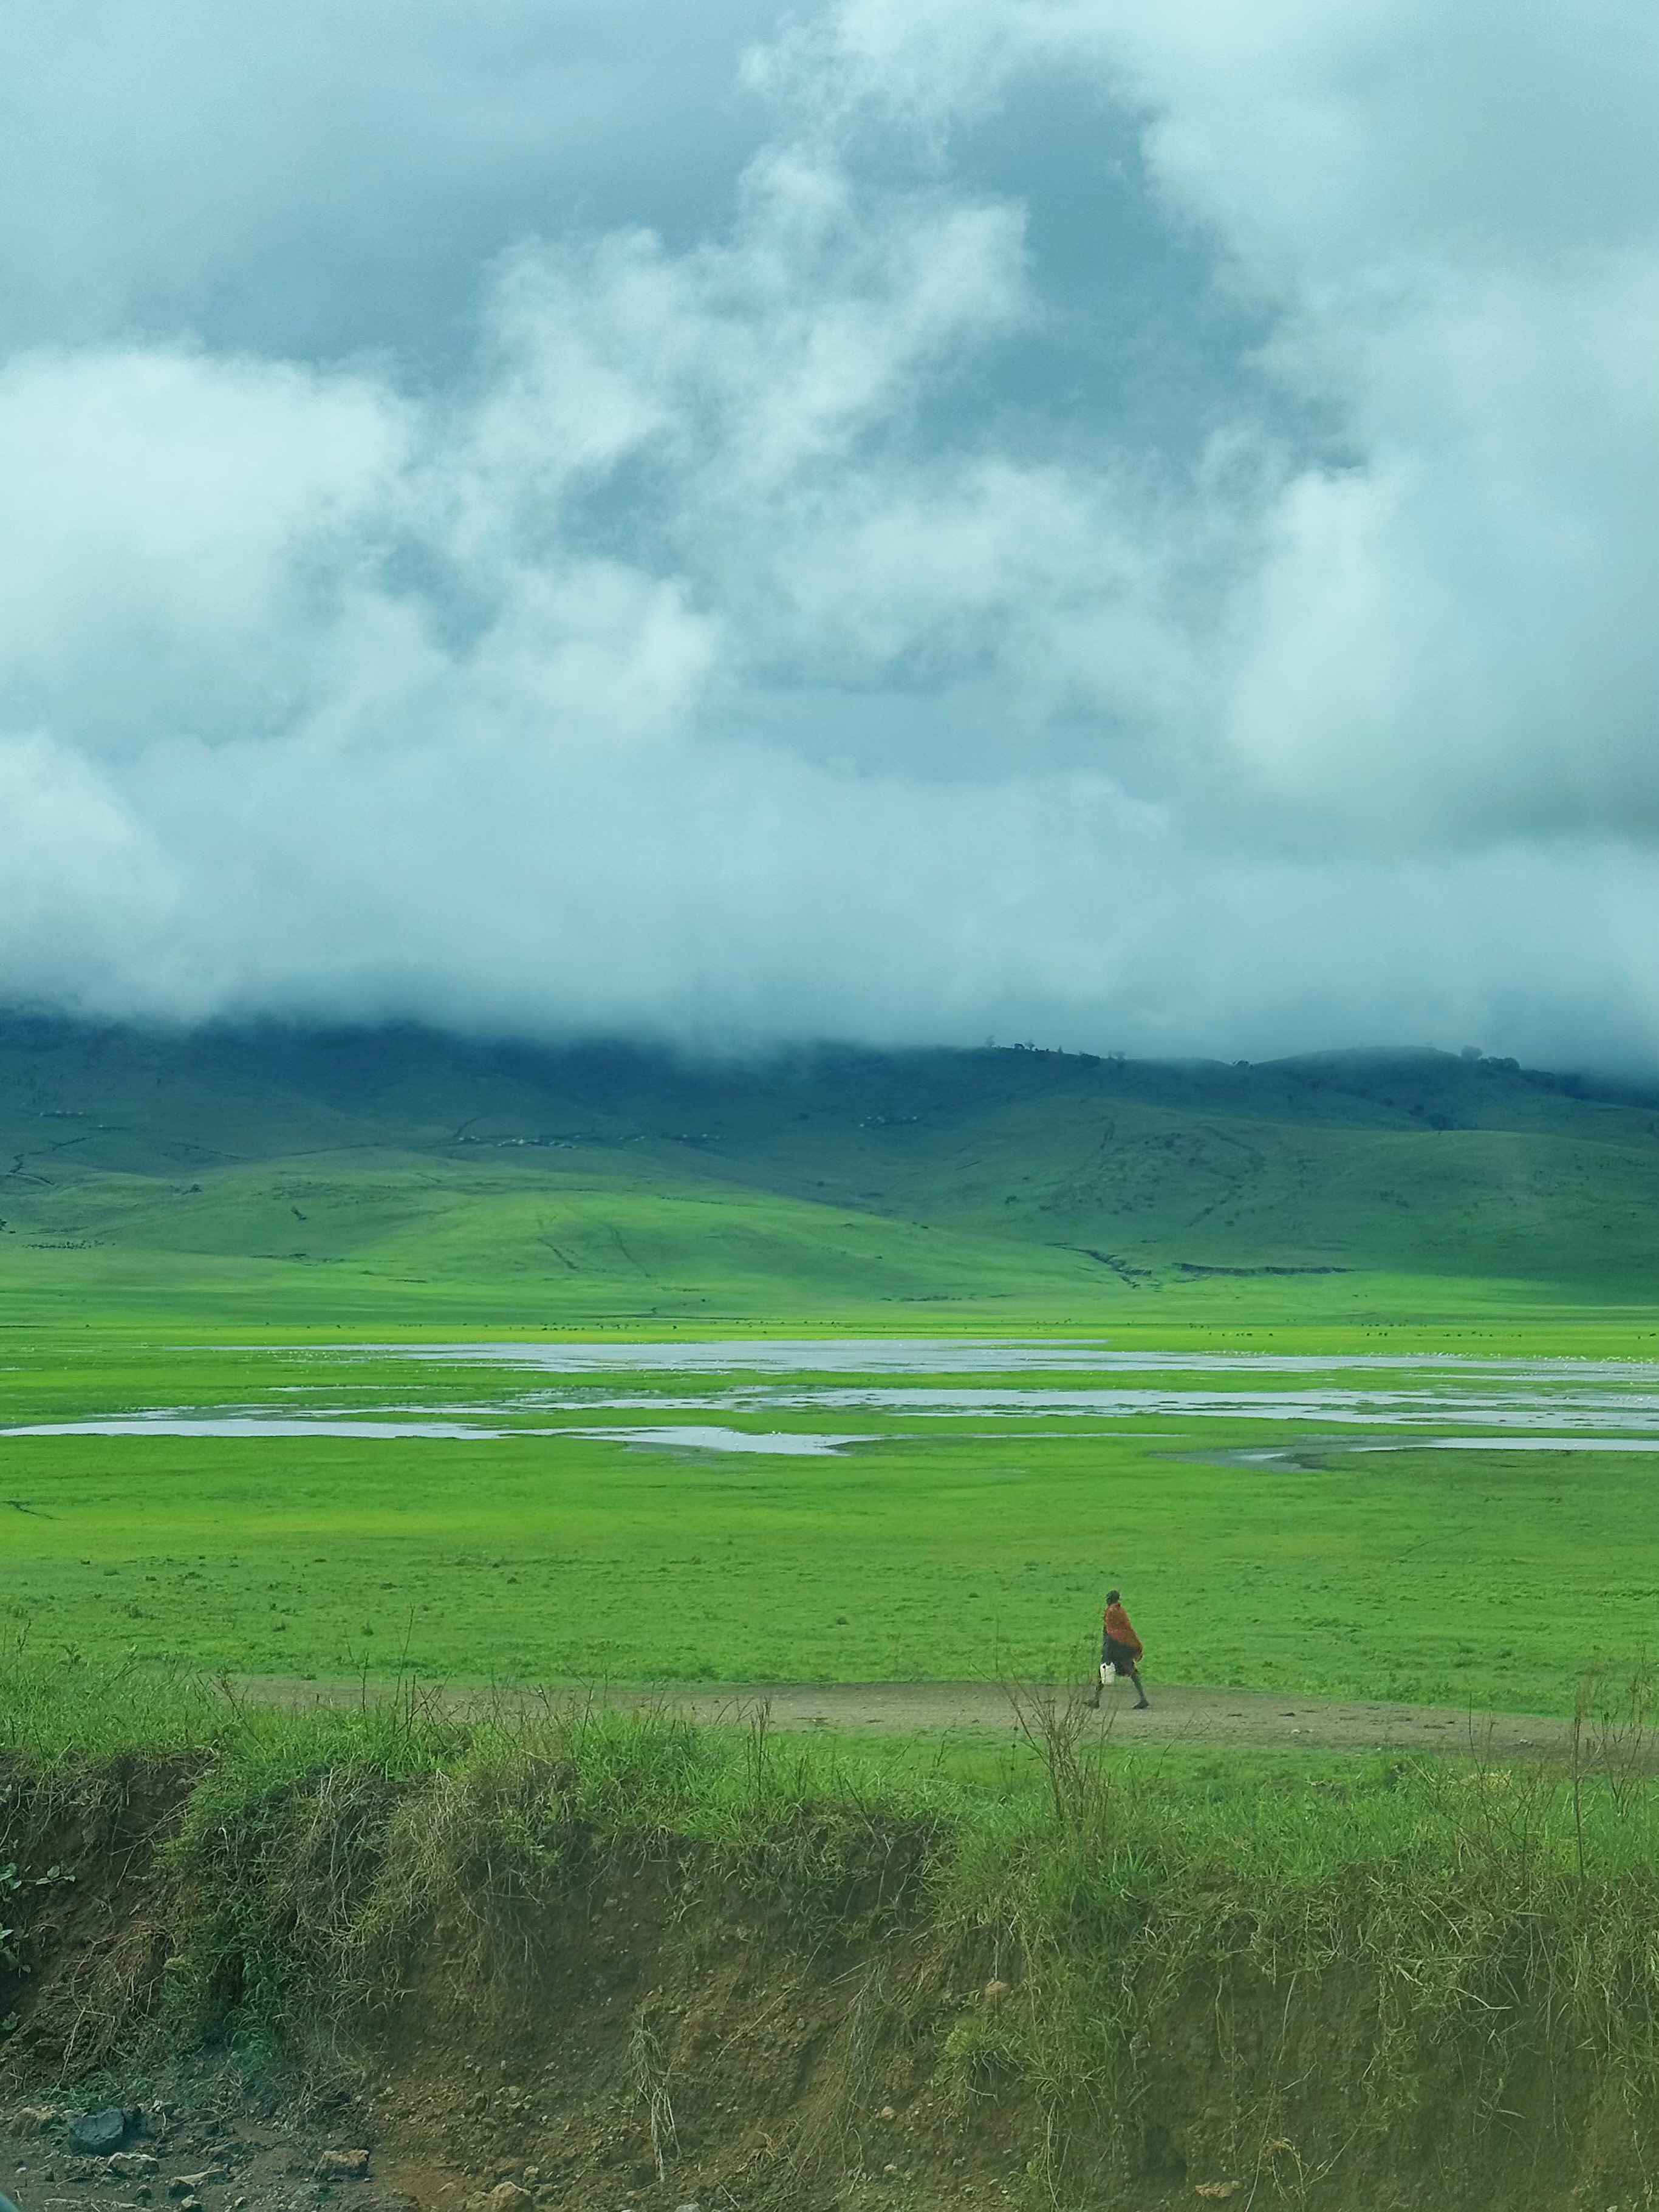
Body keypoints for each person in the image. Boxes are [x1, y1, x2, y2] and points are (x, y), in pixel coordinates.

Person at [1089, 1588, 1150, 1710]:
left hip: (1115, 1647)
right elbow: (1125, 1629)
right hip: (1122, 1646)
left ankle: (1096, 1700)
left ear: (1110, 1599)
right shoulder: (1120, 1610)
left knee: (1104, 1670)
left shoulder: (1111, 1612)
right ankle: (1143, 1698)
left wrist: (1107, 1650)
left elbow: (1112, 1632)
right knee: (1131, 1671)